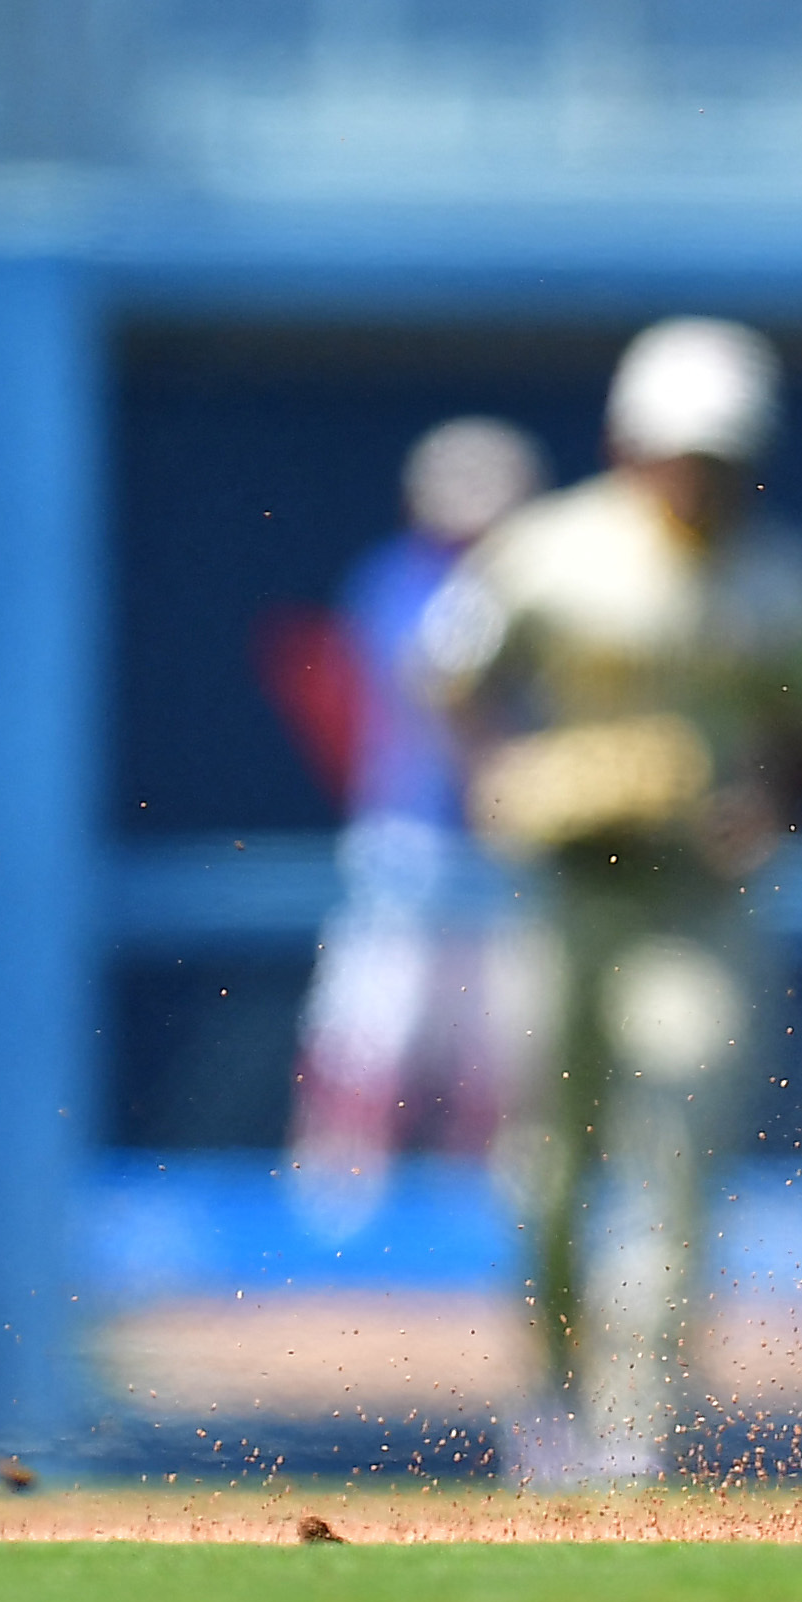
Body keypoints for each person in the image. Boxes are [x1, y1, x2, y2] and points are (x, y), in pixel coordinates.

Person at [420, 318, 802, 1490]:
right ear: (629, 444)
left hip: (698, 892)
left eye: (721, 456)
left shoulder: (786, 578)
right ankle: (551, 1396)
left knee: (679, 1137)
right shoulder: (554, 552)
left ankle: (637, 1420)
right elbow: (453, 673)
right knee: (553, 1164)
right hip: (571, 884)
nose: (701, 476)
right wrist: (497, 774)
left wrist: (770, 798)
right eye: (682, 450)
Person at [284, 415, 548, 1239]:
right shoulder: (394, 579)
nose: (471, 516)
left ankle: (499, 1239)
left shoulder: (546, 582)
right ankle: (327, 1228)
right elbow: (423, 694)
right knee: (369, 1033)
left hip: (515, 846)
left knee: (508, 1047)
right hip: (409, 844)